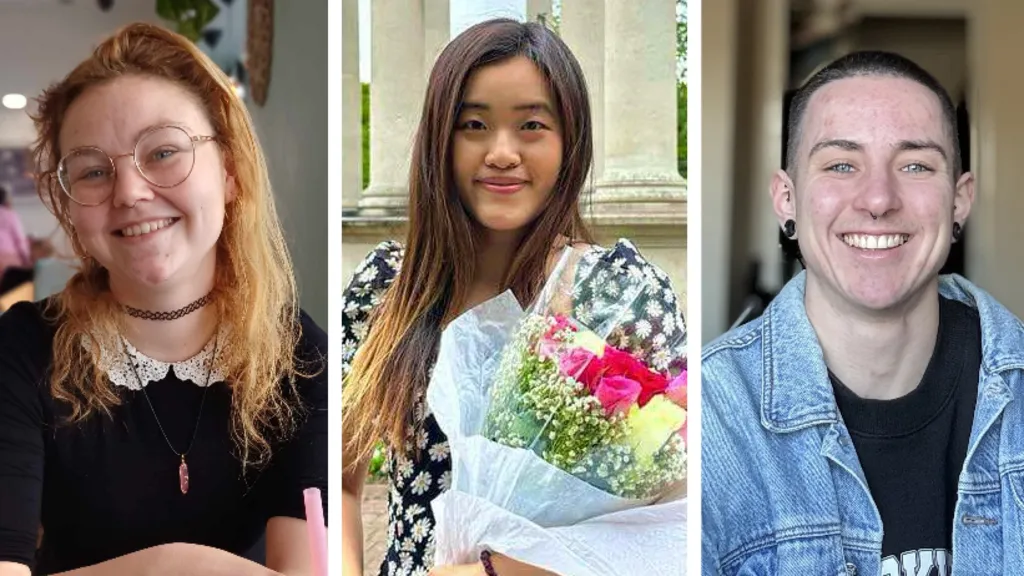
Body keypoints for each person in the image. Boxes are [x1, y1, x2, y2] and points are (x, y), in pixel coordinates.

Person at [342, 18, 686, 576]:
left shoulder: (622, 298)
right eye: (474, 124)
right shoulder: (388, 287)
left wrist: (494, 572)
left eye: (531, 125)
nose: (502, 153)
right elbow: (339, 481)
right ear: (440, 139)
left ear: (570, 142)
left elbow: (668, 527)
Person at [0, 23, 327, 576]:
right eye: (93, 171)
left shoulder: (298, 354)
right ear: (69, 207)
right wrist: (175, 565)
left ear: (229, 172)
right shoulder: (24, 348)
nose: (130, 192)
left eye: (164, 152)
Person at [702, 50, 1024, 575]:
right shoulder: (709, 415)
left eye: (915, 165)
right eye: (841, 165)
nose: (878, 199)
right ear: (786, 199)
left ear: (960, 199)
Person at [0, 185, 34, 294]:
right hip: (9, 260)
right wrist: (27, 261)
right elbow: (20, 240)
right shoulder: (9, 214)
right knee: (12, 293)